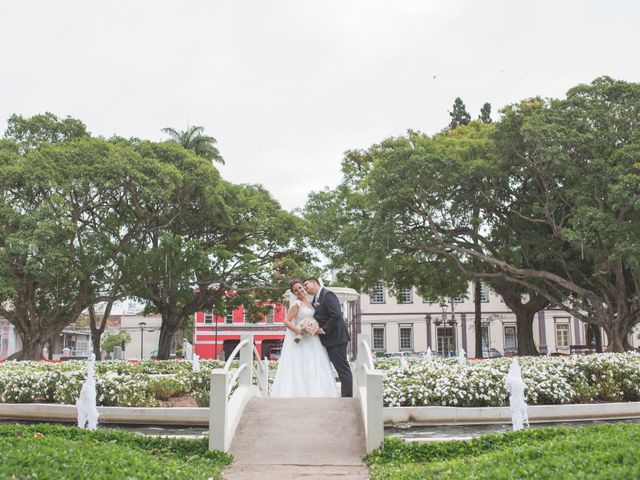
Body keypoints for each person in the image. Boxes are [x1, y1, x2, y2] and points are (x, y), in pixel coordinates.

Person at [270, 280, 338, 397]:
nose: (299, 291)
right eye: (296, 290)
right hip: (301, 340)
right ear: (294, 293)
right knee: (302, 365)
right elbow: (286, 321)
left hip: (312, 339)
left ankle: (318, 393)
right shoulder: (296, 304)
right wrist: (298, 330)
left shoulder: (311, 303)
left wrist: (313, 327)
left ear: (304, 288)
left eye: (300, 288)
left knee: (315, 364)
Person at [303, 277, 353, 397]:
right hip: (329, 340)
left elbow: (336, 315)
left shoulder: (328, 294)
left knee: (342, 370)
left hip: (337, 339)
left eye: (306, 285)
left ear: (314, 283)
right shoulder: (316, 298)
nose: (305, 288)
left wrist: (323, 330)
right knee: (338, 369)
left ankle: (347, 398)